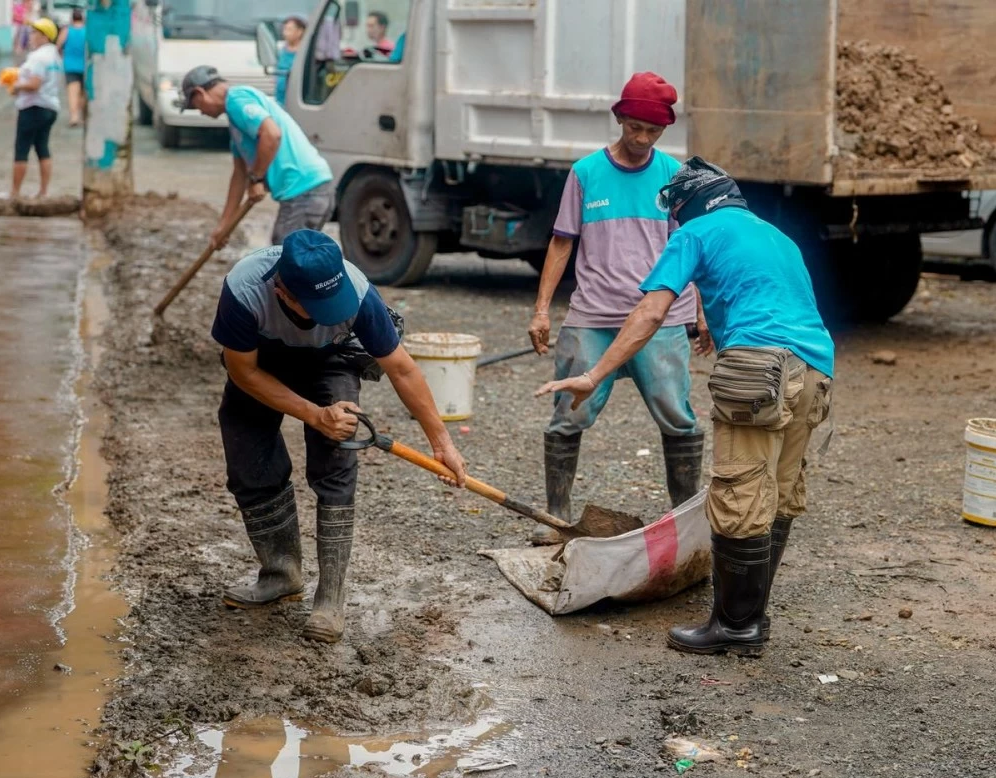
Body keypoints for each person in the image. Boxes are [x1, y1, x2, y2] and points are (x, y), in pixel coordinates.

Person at [538, 158, 834, 657]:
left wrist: (595, 373)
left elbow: (652, 310)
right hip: (817, 367)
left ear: (687, 207)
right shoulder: (776, 237)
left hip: (759, 363)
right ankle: (752, 617)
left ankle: (735, 627)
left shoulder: (694, 233)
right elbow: (776, 299)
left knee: (740, 492)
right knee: (779, 492)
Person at [212, 229, 468, 643]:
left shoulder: (361, 293)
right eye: (318, 307)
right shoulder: (244, 290)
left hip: (333, 358)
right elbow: (243, 372)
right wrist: (314, 414)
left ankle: (330, 596)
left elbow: (403, 369)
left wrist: (443, 443)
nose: (331, 312)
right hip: (263, 362)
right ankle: (281, 573)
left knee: (337, 457)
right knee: (248, 459)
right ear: (283, 292)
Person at [527, 72, 711, 545]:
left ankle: (686, 519)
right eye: (635, 128)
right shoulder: (586, 173)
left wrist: (703, 310)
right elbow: (562, 243)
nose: (643, 139)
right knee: (568, 412)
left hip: (662, 318)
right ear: (619, 118)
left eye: (653, 132)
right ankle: (557, 518)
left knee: (678, 416)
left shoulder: (674, 175)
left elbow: (690, 246)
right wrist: (542, 309)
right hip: (593, 316)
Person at [180, 65, 335, 248]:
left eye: (194, 105)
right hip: (313, 189)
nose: (200, 112)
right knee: (296, 262)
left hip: (305, 190)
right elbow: (239, 175)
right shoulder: (237, 126)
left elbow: (271, 134)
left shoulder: (237, 99)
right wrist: (224, 226)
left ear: (200, 93)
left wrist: (257, 179)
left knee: (283, 258)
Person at [9, 17, 61, 199]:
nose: (31, 36)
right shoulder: (54, 55)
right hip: (50, 107)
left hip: (33, 107)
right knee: (42, 148)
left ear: (45, 37)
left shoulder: (39, 57)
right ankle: (43, 191)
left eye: (35, 33)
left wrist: (16, 86)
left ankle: (14, 193)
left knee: (21, 149)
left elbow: (34, 84)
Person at [57, 8, 86, 127]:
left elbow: (58, 45)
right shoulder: (87, 31)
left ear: (72, 18)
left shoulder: (66, 30)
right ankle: (83, 117)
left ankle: (74, 117)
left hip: (70, 65)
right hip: (85, 65)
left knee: (72, 92)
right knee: (83, 93)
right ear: (82, 18)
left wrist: (62, 55)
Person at [275, 14, 307, 107]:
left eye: (289, 30)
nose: (285, 33)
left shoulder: (304, 52)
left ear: (299, 32)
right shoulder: (281, 51)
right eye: (284, 29)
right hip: (280, 99)